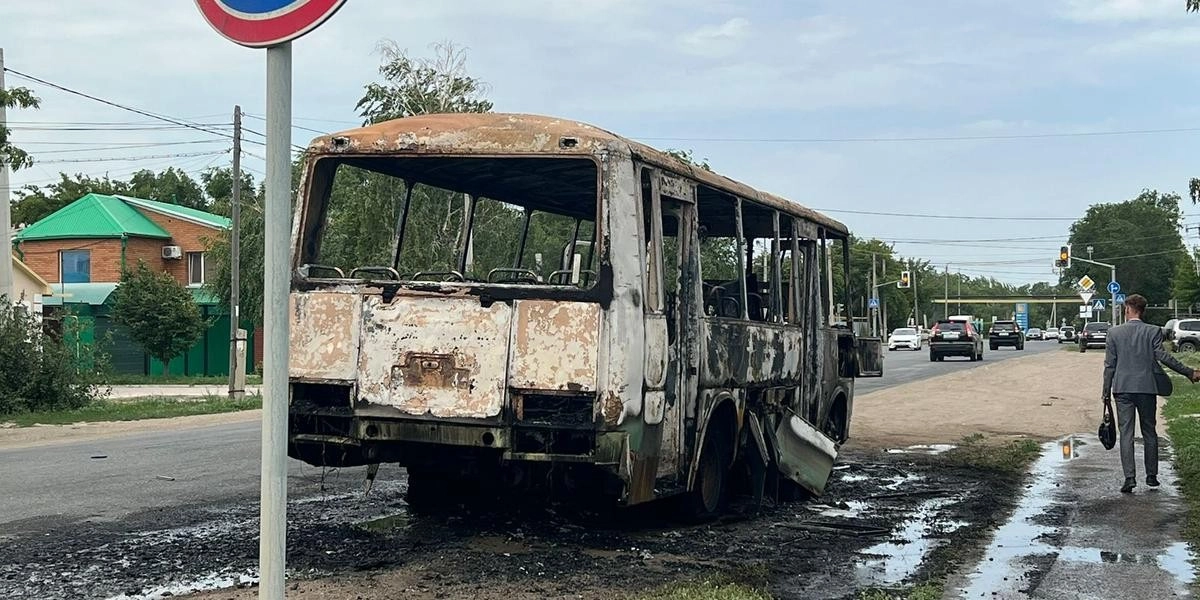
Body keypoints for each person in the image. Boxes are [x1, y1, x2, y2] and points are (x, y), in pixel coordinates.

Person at [1102, 294, 1200, 493]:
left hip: (1123, 389)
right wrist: (1188, 371)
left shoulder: (1114, 333)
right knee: (1149, 431)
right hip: (1147, 388)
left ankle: (1129, 478)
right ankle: (1152, 477)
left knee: (1126, 434)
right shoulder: (1153, 331)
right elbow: (1163, 356)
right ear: (1143, 310)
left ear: (1128, 309)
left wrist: (1105, 392)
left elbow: (1110, 366)